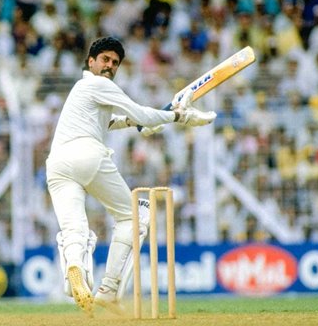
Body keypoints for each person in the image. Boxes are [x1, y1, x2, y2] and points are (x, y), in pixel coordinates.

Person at [46, 37, 215, 316]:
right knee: (133, 216)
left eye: (115, 63)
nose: (110, 66)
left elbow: (112, 121)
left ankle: (75, 269)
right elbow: (140, 114)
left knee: (74, 230)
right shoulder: (100, 84)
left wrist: (139, 123)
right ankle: (109, 289)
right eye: (105, 60)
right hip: (87, 155)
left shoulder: (82, 90)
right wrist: (177, 118)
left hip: (57, 164)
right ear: (91, 62)